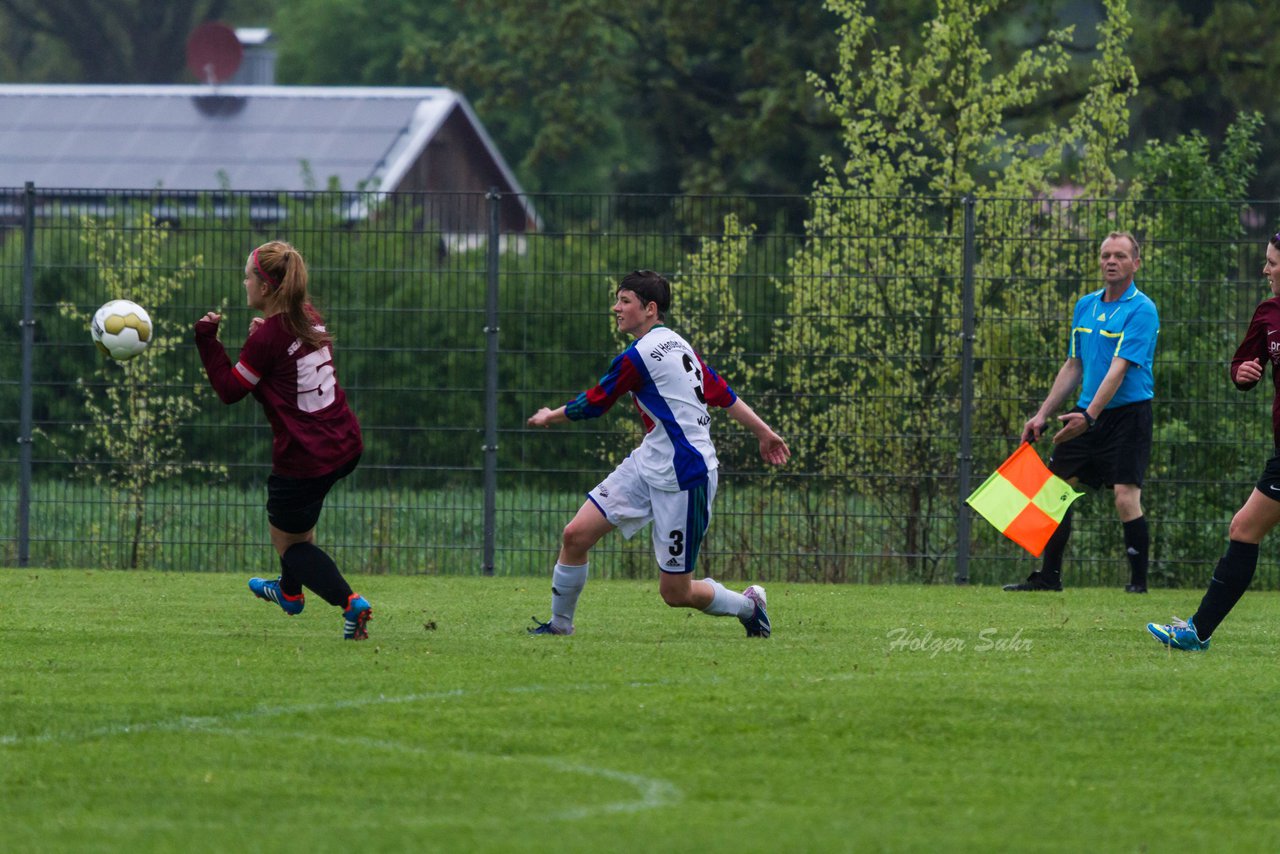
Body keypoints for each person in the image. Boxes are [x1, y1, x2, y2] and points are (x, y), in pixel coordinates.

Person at [526, 270, 791, 637]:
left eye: (625, 301)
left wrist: (549, 416)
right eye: (618, 300)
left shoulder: (639, 356)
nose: (616, 308)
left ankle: (749, 606)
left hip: (686, 475)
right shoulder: (679, 346)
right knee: (576, 535)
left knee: (675, 592)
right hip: (649, 461)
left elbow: (596, 402)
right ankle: (559, 627)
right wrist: (765, 433)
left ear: (650, 309)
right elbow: (723, 393)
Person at [194, 240, 373, 640]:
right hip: (344, 442)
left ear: (265, 287)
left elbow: (229, 389)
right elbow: (280, 377)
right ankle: (289, 591)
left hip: (306, 457)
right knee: (299, 529)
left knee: (290, 544)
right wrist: (262, 341)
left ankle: (350, 603)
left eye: (248, 276)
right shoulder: (306, 316)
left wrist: (207, 340)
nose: (244, 283)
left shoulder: (269, 337)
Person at [1004, 231, 1160, 593]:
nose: (1111, 261)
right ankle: (1049, 578)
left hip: (1128, 416)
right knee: (1053, 490)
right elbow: (1074, 365)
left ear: (1135, 264)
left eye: (1120, 256)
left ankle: (1138, 585)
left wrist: (1089, 416)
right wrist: (1041, 415)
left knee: (1125, 496)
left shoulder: (1142, 309)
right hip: (1086, 414)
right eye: (1106, 255)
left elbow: (1118, 370)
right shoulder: (1085, 306)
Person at [1148, 231, 1280, 651]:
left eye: (1272, 262)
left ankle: (1196, 631)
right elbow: (1244, 361)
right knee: (1243, 529)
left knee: (1243, 529)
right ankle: (1197, 632)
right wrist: (1241, 373)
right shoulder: (1268, 313)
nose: (1265, 269)